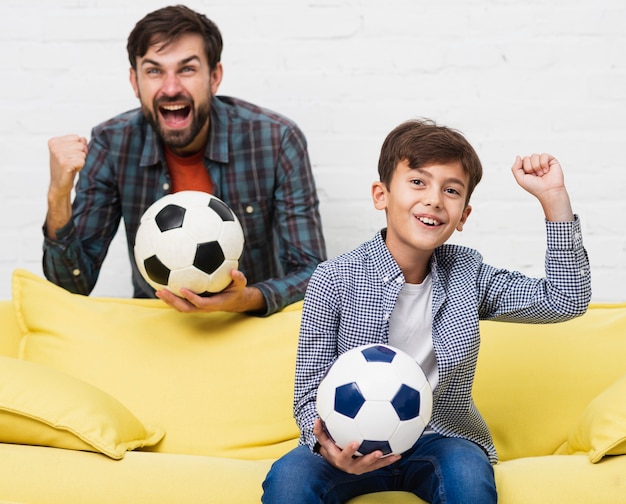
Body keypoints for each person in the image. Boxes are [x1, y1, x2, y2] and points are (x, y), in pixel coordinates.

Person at [262, 119, 591, 502]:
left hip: (439, 441)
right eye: (418, 182)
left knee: (468, 476)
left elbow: (565, 298)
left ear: (463, 216)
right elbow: (308, 392)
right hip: (348, 445)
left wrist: (554, 199)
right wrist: (326, 449)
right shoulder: (334, 278)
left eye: (450, 190)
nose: (434, 199)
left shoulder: (468, 275)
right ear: (381, 195)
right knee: (287, 479)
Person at [43, 5, 326, 316]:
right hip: (159, 326)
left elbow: (311, 271)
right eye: (154, 71)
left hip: (247, 325)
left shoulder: (276, 140)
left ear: (214, 77)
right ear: (135, 82)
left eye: (187, 69)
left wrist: (248, 298)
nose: (171, 87)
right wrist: (58, 197)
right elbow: (72, 285)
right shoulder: (112, 144)